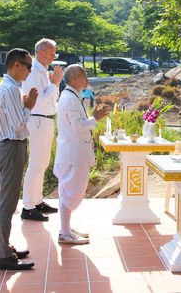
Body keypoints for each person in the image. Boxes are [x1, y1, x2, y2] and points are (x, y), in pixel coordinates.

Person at [0, 48, 39, 271]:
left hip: (13, 146)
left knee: (8, 201)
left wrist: (26, 103)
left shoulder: (12, 87)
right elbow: (17, 125)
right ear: (16, 65)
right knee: (7, 202)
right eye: (28, 66)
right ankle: (3, 255)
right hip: (11, 146)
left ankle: (4, 247)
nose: (30, 71)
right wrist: (29, 107)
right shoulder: (10, 89)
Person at [55, 65, 110, 245]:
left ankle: (66, 228)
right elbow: (78, 126)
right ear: (74, 79)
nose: (87, 78)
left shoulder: (70, 96)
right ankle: (64, 232)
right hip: (73, 154)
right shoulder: (70, 99)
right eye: (84, 75)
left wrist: (93, 118)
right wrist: (95, 118)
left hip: (72, 153)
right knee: (71, 192)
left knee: (69, 191)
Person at [21, 38, 63, 222]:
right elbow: (40, 100)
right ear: (40, 52)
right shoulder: (33, 72)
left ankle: (37, 201)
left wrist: (54, 84)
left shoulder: (44, 72)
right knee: (36, 164)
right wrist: (55, 83)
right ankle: (28, 206)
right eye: (51, 52)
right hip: (38, 120)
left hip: (46, 120)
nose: (54, 55)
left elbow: (53, 98)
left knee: (43, 163)